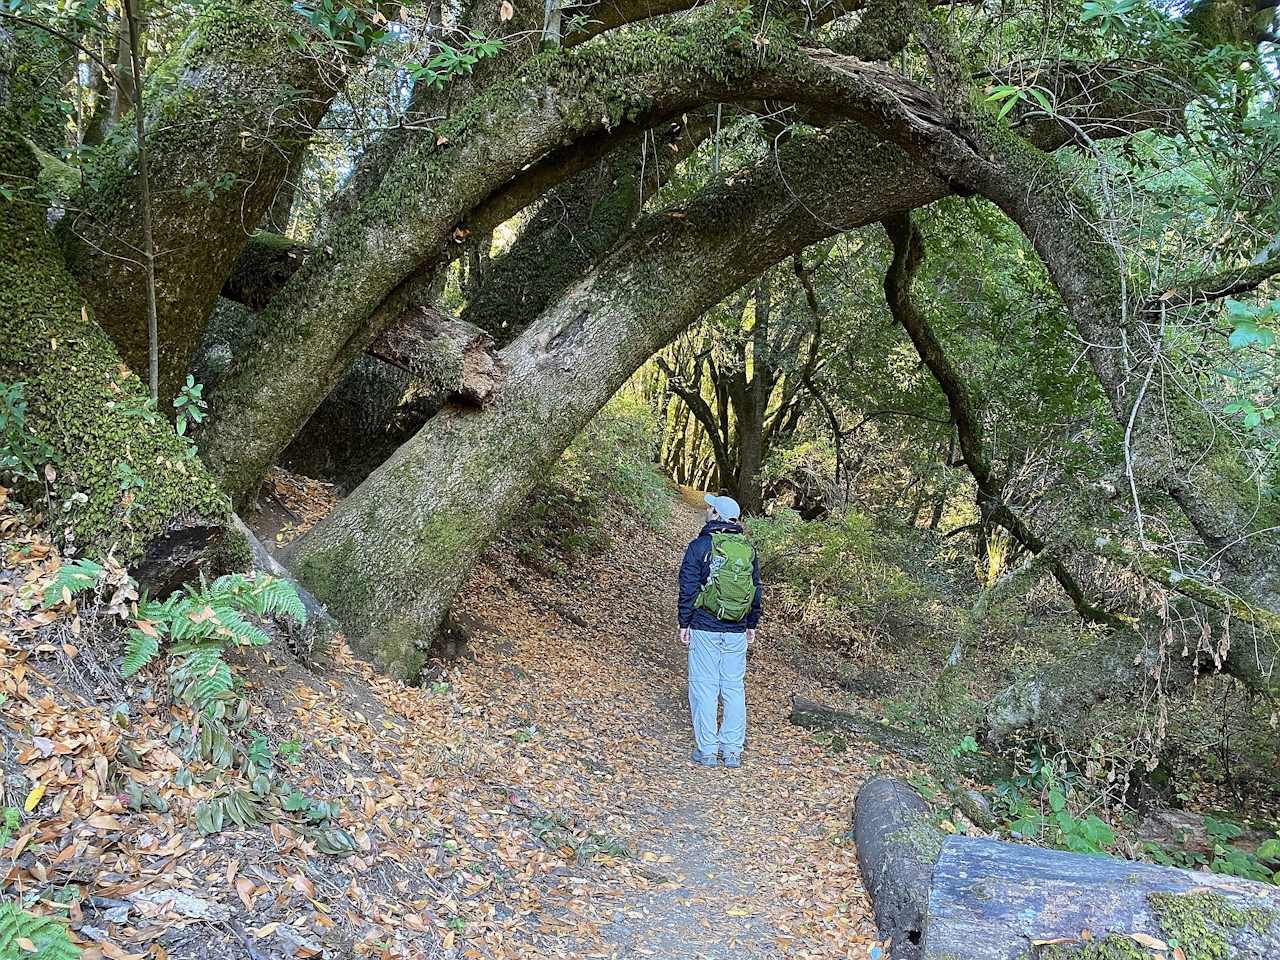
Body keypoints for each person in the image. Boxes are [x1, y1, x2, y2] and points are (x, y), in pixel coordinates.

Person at [678, 493, 762, 768]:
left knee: (704, 686)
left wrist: (684, 622)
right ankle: (732, 750)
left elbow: (688, 587)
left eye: (710, 508)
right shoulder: (748, 551)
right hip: (736, 629)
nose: (707, 509)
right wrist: (751, 624)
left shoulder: (699, 546)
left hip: (705, 626)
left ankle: (708, 750)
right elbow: (755, 590)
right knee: (733, 687)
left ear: (717, 516)